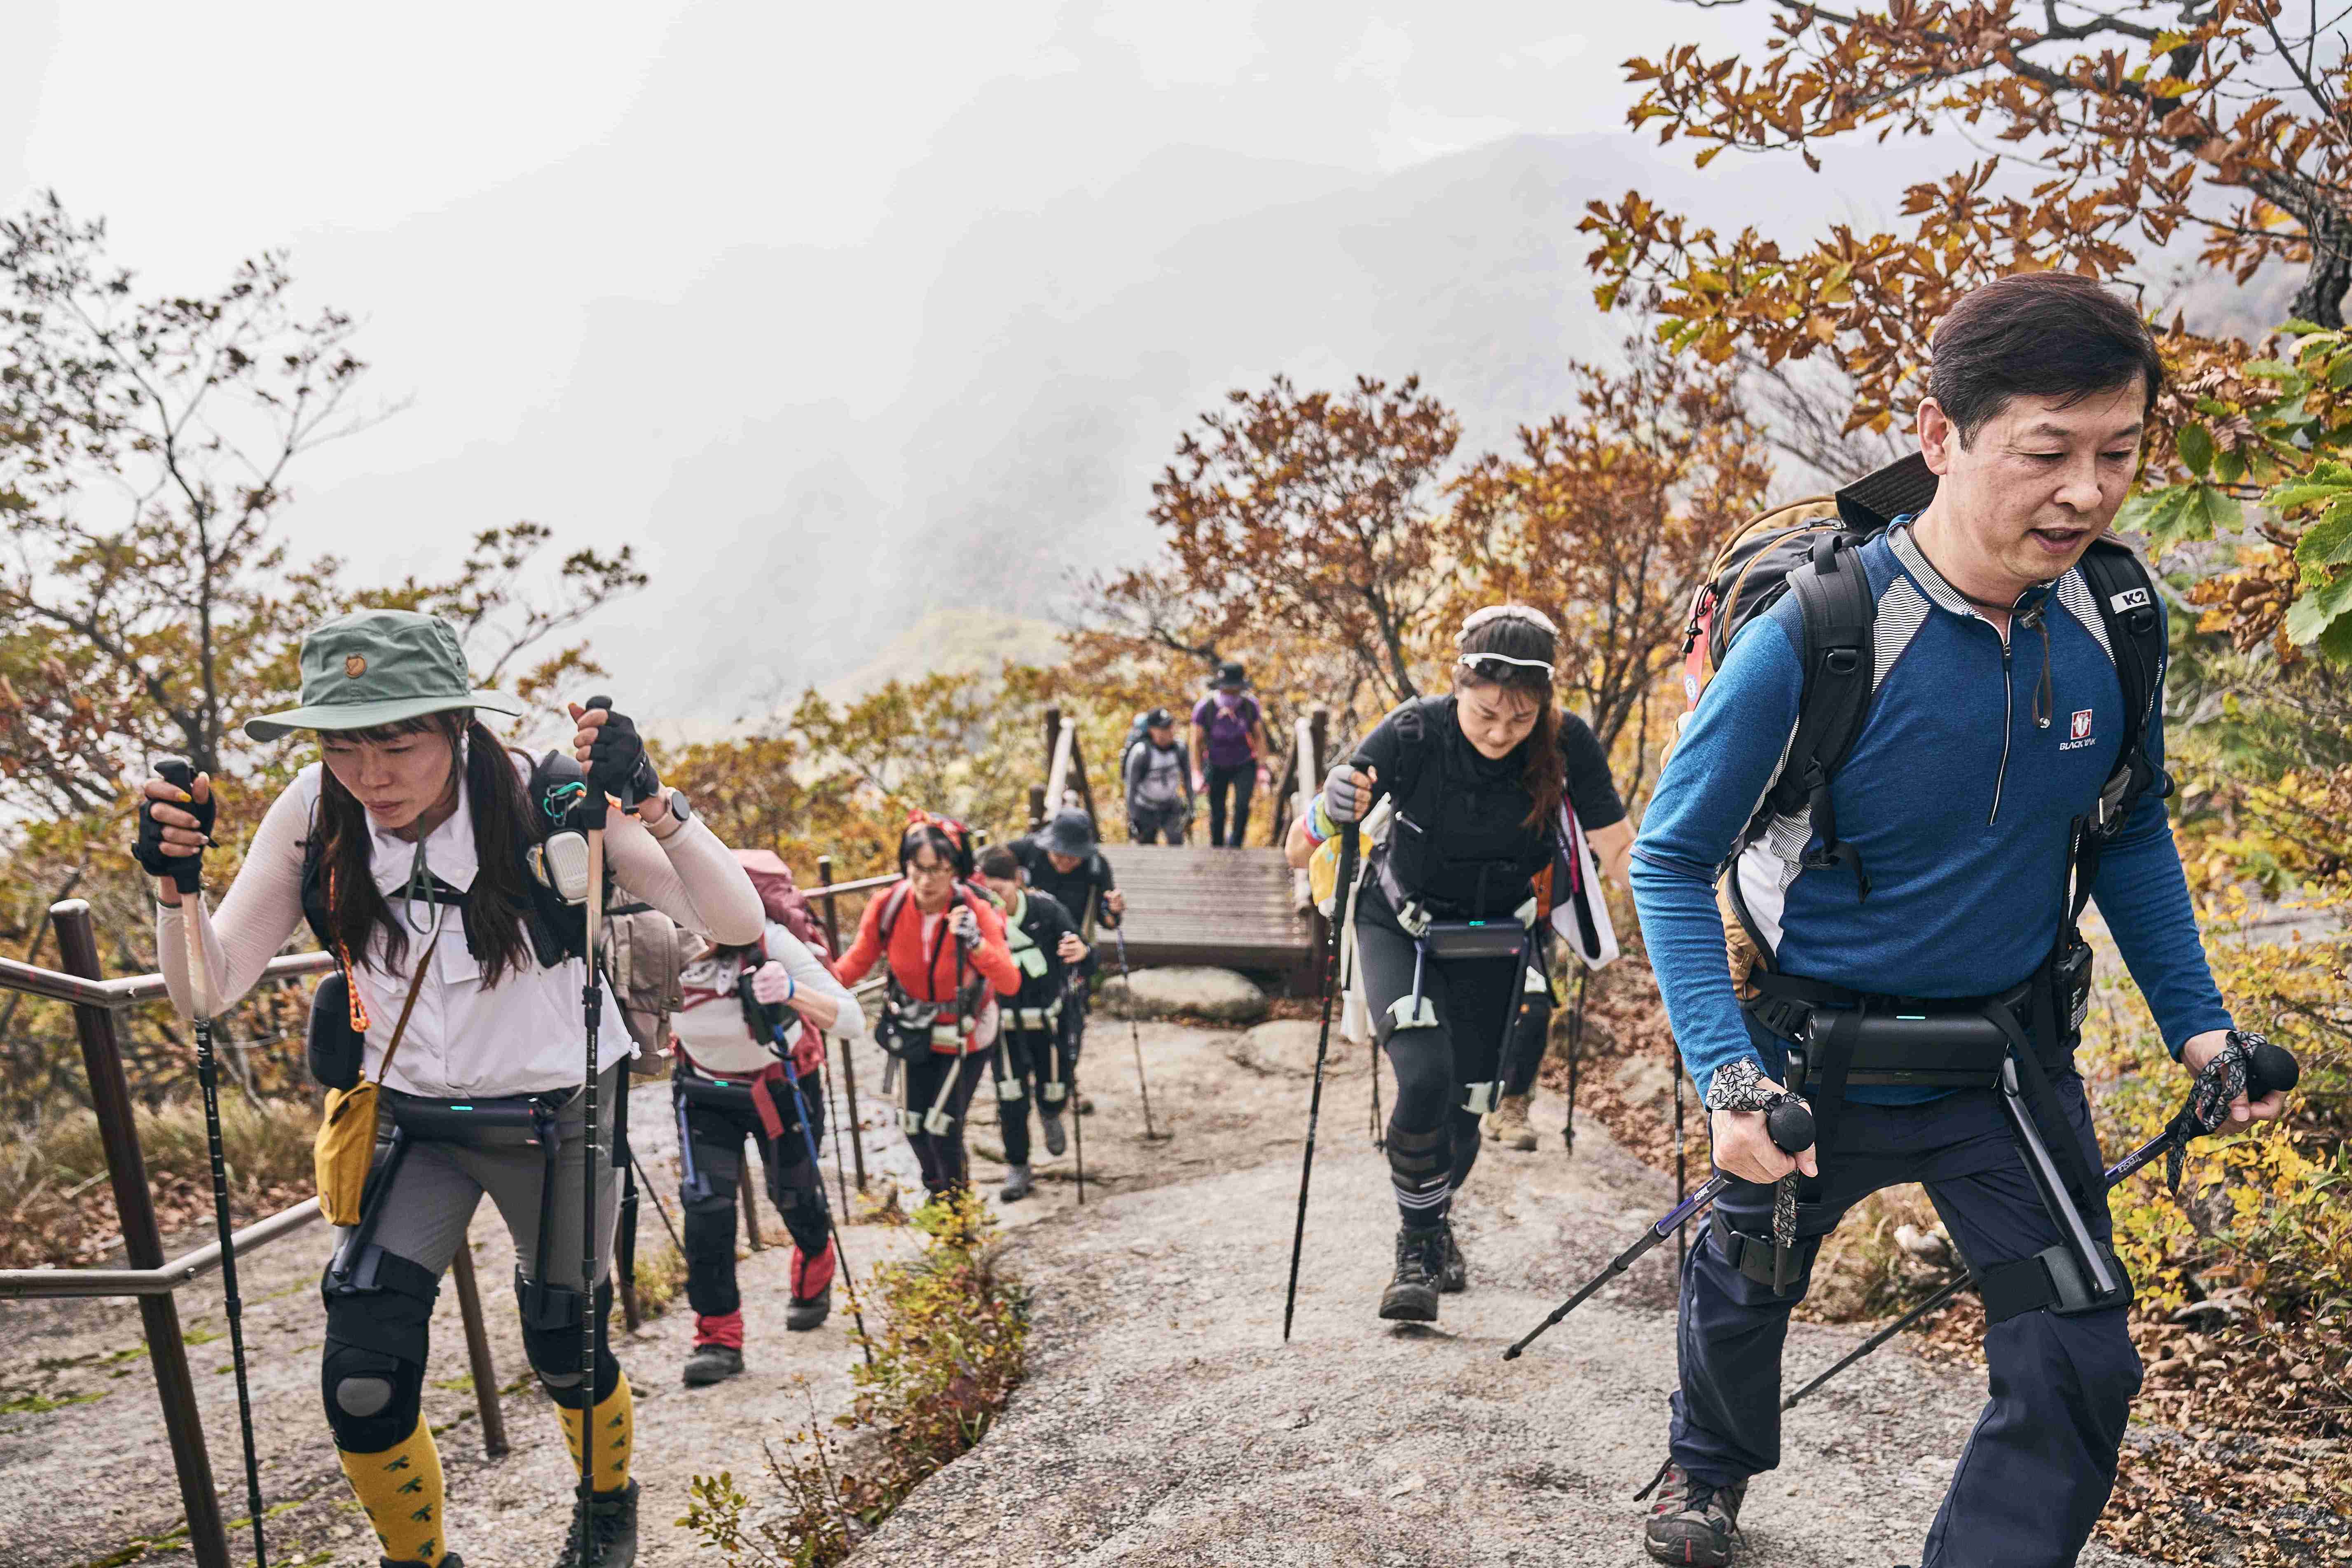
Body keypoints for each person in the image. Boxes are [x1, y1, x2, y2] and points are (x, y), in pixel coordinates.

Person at [1629, 273, 2285, 1568]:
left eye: (2117, 453)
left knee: (2077, 1348)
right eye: (2046, 452)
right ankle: (1704, 1466)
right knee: (1748, 1277)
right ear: (1938, 435)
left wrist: (2200, 1030)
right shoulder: (1821, 633)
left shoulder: (2114, 617)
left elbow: (2128, 826)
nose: (2086, 492)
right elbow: (1668, 856)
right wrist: (1729, 1076)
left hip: (2002, 1058)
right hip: (1807, 1046)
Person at [133, 609, 764, 1568]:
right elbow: (207, 991)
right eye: (342, 744)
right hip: (415, 1121)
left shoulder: (545, 795)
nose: (371, 773)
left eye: (398, 743)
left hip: (560, 1114)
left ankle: (606, 1505)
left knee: (563, 1342)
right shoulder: (313, 811)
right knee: (361, 1377)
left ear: (458, 725)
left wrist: (651, 799)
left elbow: (733, 919)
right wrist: (175, 885)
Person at [1308, 605, 1591, 1323]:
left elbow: (1624, 848)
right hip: (1396, 923)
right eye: (1486, 714)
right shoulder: (1413, 731)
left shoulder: (1566, 744)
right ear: (1458, 685)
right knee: (1424, 1076)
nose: (1500, 733)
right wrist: (1327, 808)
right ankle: (1417, 1247)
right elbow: (1299, 842)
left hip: (1496, 938)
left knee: (1468, 1108)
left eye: (1520, 719)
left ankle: (1433, 1225)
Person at [668, 850, 868, 1386]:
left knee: (794, 1196)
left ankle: (815, 1262)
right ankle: (717, 1336)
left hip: (782, 1085)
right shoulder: (657, 944)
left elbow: (852, 1019)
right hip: (703, 1090)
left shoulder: (770, 941)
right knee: (706, 1208)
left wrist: (793, 992)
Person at [831, 814, 1019, 1201]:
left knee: (943, 1128)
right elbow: (856, 961)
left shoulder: (975, 910)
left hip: (967, 1032)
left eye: (938, 870)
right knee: (914, 1124)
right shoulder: (889, 905)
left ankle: (957, 1213)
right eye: (918, 868)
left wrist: (976, 943)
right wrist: (808, 991)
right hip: (916, 1029)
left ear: (956, 870)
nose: (926, 880)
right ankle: (939, 1197)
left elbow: (1009, 982)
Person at [973, 845, 1089, 1201]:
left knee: (1055, 1086)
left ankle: (1050, 1112)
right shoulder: (976, 922)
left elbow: (1082, 951)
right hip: (1004, 1026)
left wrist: (1081, 951)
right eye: (985, 892)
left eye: (1000, 890)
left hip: (1050, 1021)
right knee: (1010, 1096)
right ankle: (1018, 1166)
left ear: (1018, 881)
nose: (993, 900)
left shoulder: (1046, 911)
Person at [1009, 807, 1125, 1094]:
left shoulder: (1096, 866)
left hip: (1071, 952)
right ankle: (1025, 1078)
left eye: (1073, 857)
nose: (1065, 861)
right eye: (1059, 854)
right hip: (1027, 949)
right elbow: (989, 869)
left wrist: (1113, 910)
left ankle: (1065, 1079)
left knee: (1071, 1021)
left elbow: (1108, 921)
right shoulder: (1026, 852)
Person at [1191, 661, 1268, 847]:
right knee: (1217, 810)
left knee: (1242, 805)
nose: (1230, 694)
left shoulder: (1250, 706)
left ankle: (1236, 845)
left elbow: (1259, 736)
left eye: (1234, 690)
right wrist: (1196, 772)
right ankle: (1217, 847)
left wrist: (1262, 767)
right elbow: (1195, 742)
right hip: (1216, 763)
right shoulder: (1205, 708)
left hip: (1244, 763)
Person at [1123, 707, 1194, 845]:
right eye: (1163, 728)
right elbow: (1131, 788)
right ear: (1152, 730)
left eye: (1170, 727)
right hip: (1145, 809)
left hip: (1171, 806)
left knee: (1177, 843)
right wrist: (1133, 819)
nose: (1169, 732)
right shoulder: (1141, 753)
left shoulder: (1179, 749)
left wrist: (1192, 807)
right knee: (1147, 848)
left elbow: (1187, 779)